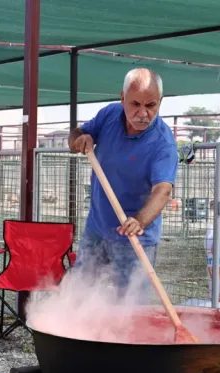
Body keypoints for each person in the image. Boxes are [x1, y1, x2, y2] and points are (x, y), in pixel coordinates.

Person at [68, 68, 178, 301]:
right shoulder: (109, 115)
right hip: (96, 229)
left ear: (160, 102)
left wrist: (139, 221)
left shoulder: (163, 143)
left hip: (135, 239)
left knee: (130, 307)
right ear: (122, 99)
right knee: (78, 294)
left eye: (151, 105)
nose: (142, 113)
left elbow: (162, 190)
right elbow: (75, 135)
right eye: (135, 104)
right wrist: (79, 139)